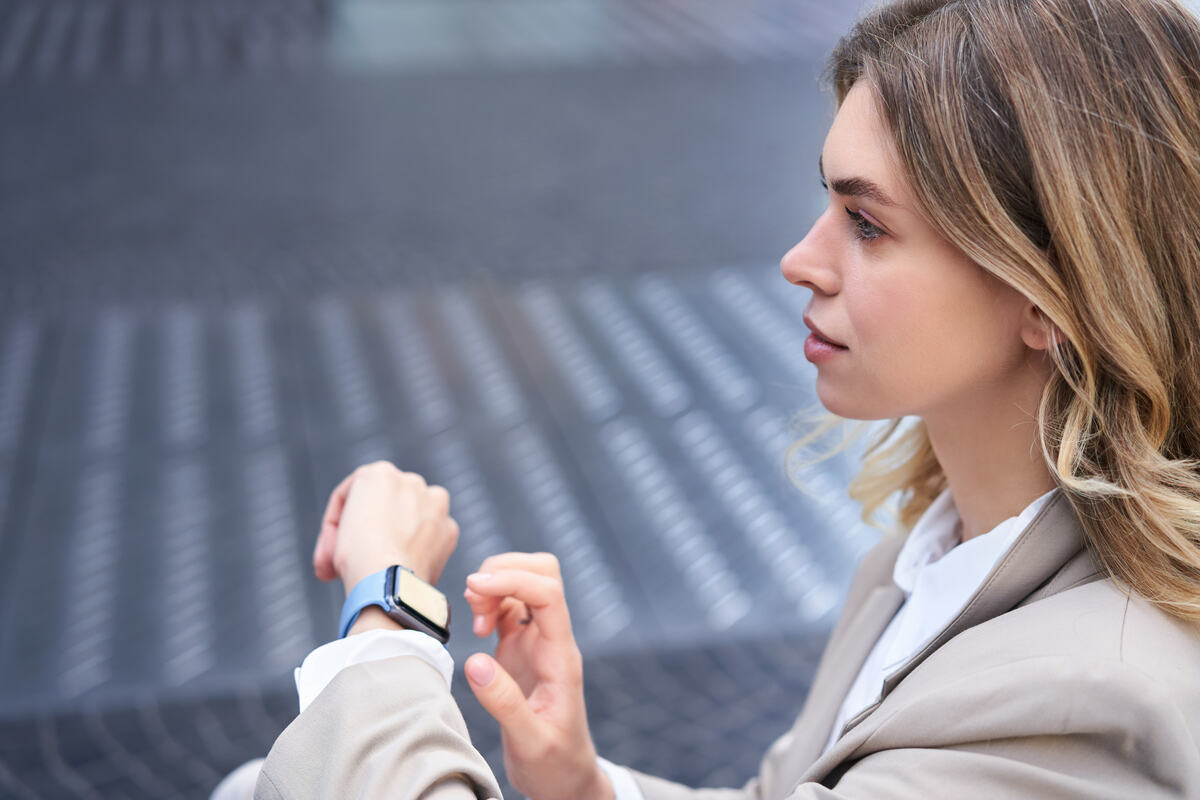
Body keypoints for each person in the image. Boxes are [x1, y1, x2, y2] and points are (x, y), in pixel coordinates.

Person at [214, 0, 1200, 797]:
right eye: (827, 201)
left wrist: (385, 615)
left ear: (1047, 291)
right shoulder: (934, 556)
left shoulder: (1091, 704)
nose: (799, 259)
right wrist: (584, 784)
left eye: (866, 222)